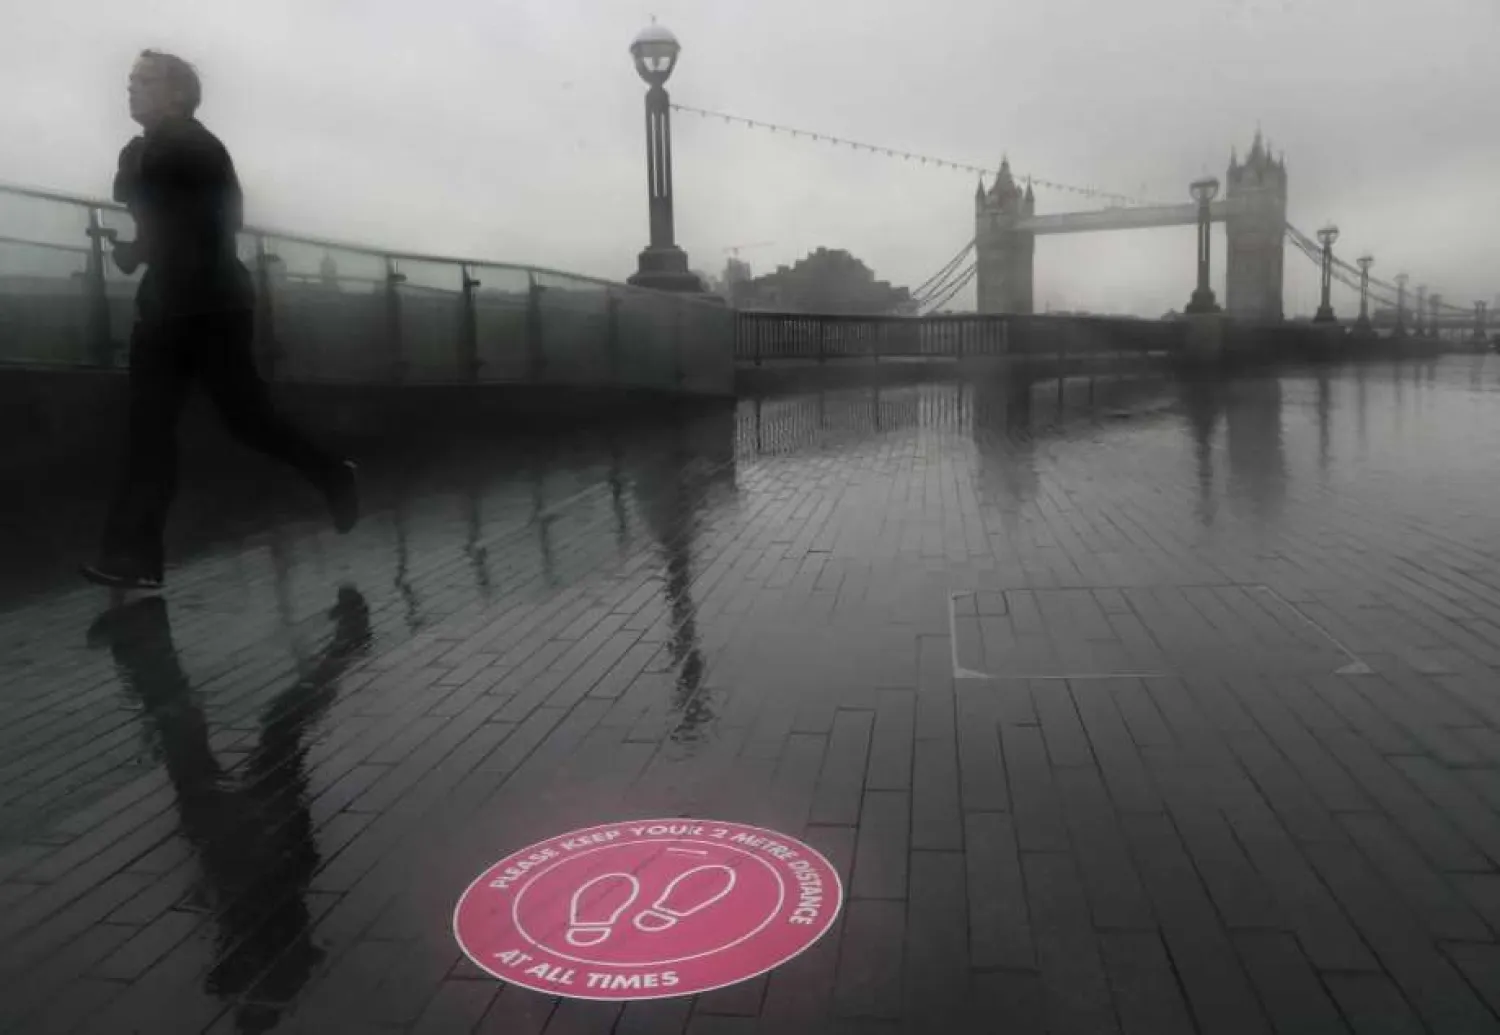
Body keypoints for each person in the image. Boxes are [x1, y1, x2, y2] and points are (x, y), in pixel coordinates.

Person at [82, 50, 358, 591]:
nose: (131, 88)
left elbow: (212, 220)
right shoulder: (145, 150)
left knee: (245, 420)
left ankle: (332, 473)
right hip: (166, 304)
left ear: (178, 93)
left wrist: (147, 243)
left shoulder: (197, 148)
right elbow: (158, 220)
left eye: (144, 81)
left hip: (212, 306)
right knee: (149, 431)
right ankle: (133, 557)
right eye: (130, 80)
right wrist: (139, 250)